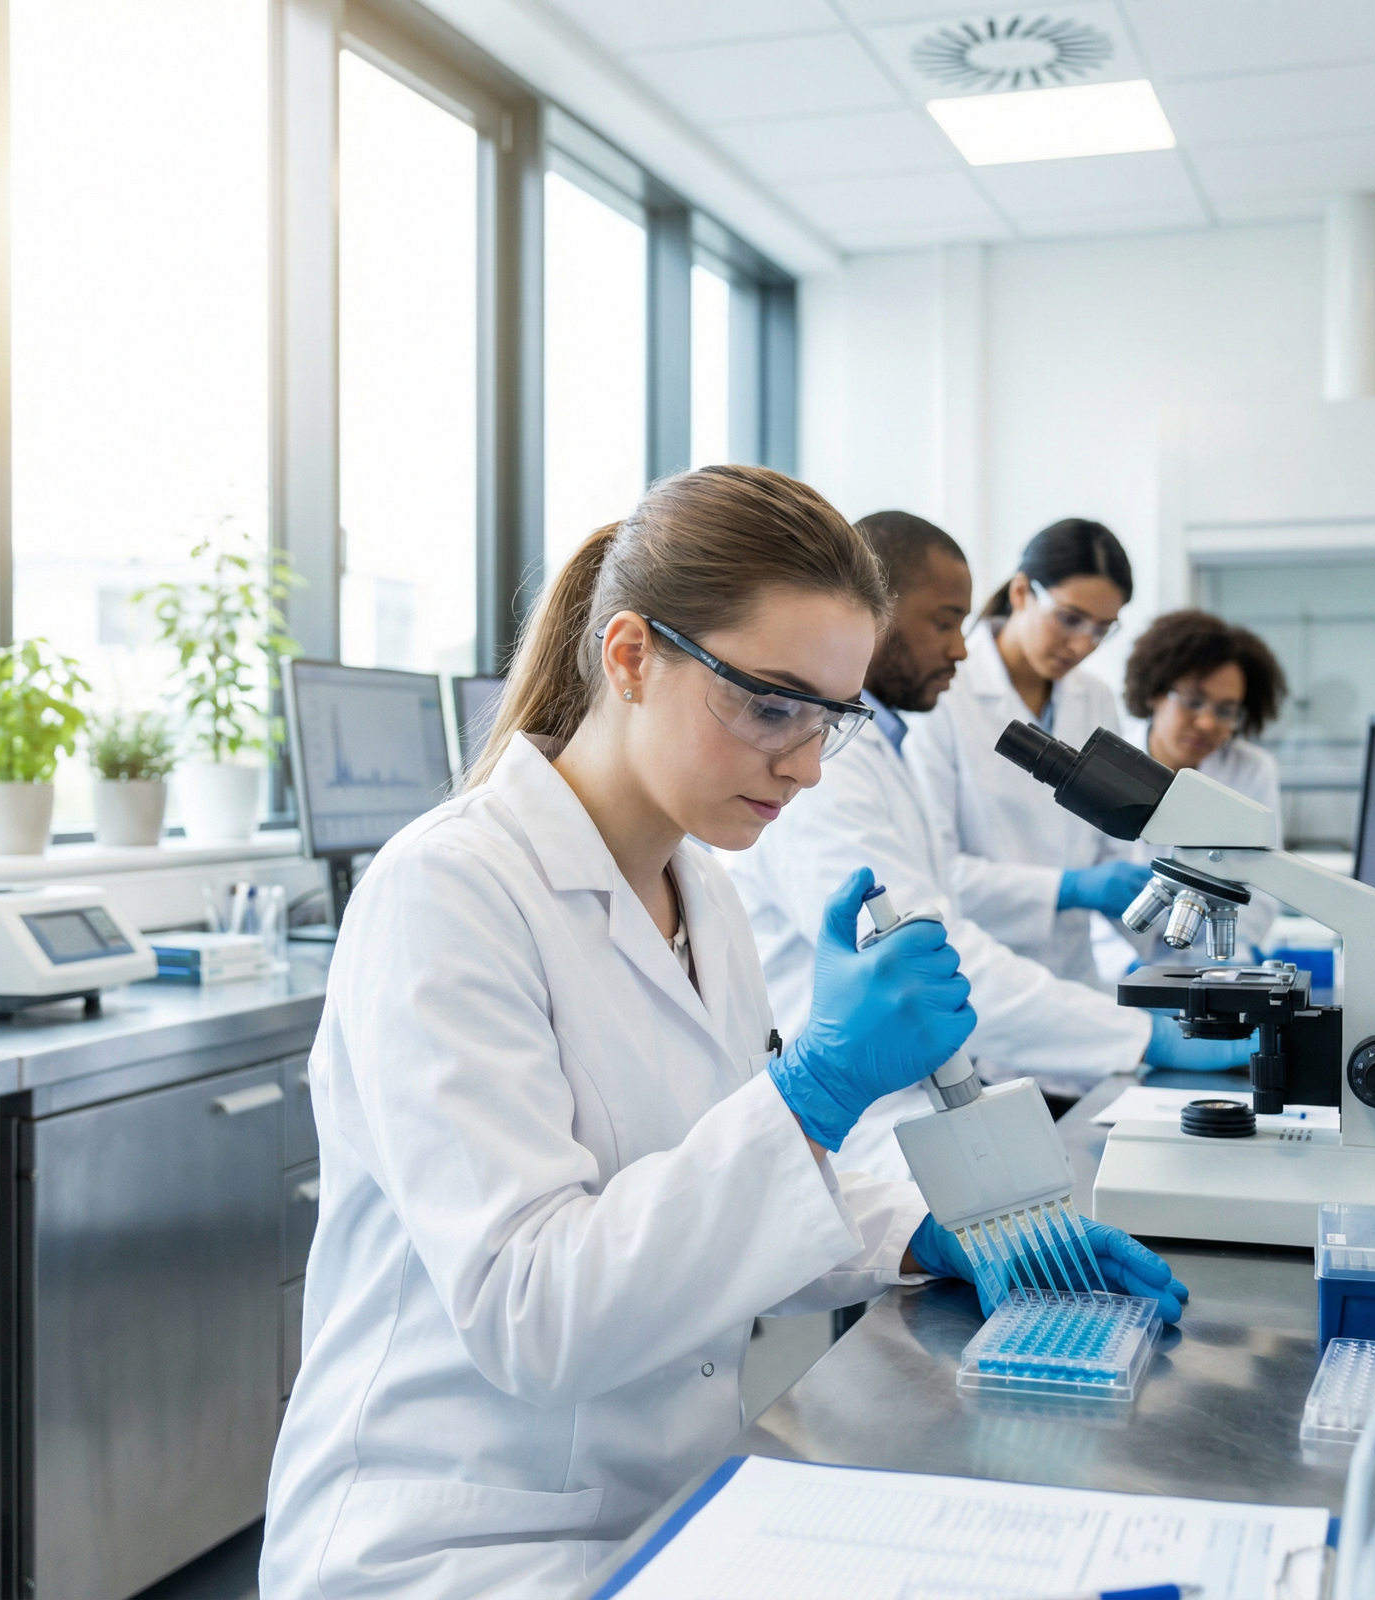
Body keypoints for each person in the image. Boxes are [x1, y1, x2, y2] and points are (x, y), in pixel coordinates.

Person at [259, 467, 1184, 1600]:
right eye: (768, 704)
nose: (802, 762)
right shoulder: (447, 894)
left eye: (832, 719)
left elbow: (708, 1194)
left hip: (667, 1505)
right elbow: (532, 1311)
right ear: (631, 656)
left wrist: (929, 1232)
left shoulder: (700, 891)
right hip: (455, 1542)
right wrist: (814, 1090)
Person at [725, 510, 1255, 1182]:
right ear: (868, 616)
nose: (961, 647)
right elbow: (926, 960)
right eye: (946, 621)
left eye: (1103, 630)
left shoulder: (879, 750)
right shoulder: (832, 772)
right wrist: (1142, 1028)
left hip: (972, 1056)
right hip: (866, 1126)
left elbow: (932, 913)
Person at [905, 518, 1152, 988]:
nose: (1082, 644)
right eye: (1070, 618)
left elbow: (1115, 844)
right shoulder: (944, 693)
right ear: (1021, 592)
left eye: (1103, 629)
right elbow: (936, 870)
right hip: (977, 977)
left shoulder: (1094, 698)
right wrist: (1065, 888)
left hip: (1076, 978)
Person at [1103, 608, 1289, 971]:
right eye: (1192, 701)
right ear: (1155, 691)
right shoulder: (1106, 769)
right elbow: (1087, 909)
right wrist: (1127, 967)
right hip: (1114, 970)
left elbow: (1263, 891)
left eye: (1226, 711)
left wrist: (1217, 972)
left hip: (1218, 966)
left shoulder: (1250, 770)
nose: (1206, 722)